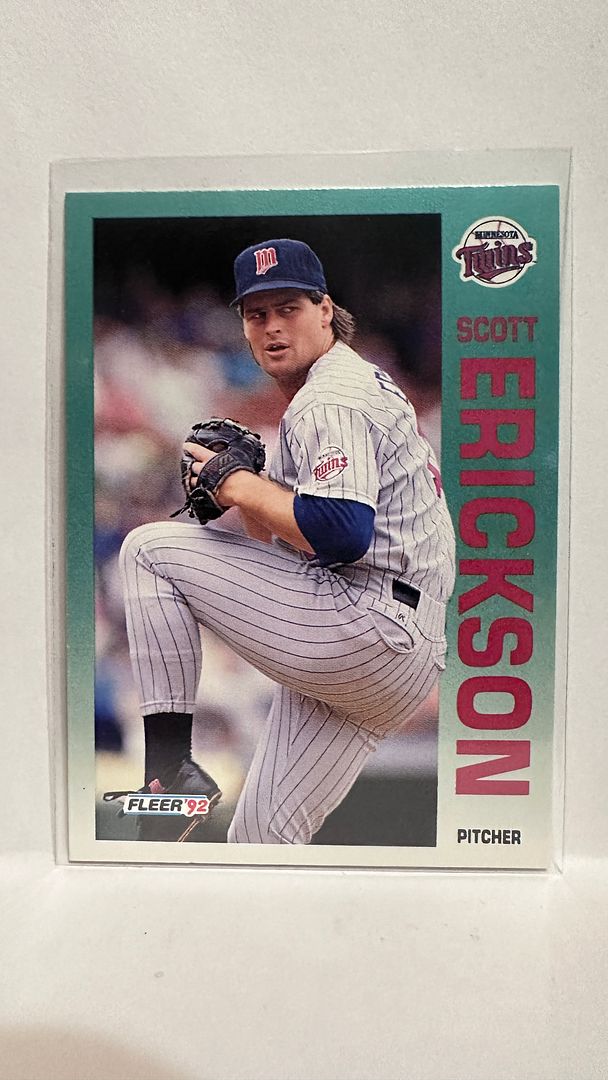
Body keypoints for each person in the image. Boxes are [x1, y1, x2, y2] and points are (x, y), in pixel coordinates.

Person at [115, 238, 456, 844]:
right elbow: (300, 540)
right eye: (257, 314)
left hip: (365, 623)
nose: (272, 327)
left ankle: (168, 774)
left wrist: (241, 483)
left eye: (288, 308)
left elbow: (342, 531)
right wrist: (252, 492)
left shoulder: (329, 394)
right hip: (395, 652)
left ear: (325, 311)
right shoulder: (354, 383)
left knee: (147, 551)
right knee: (260, 842)